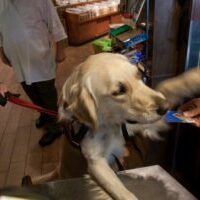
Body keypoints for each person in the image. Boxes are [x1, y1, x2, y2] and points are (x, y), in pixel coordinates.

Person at [0, 0, 67, 146]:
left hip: (40, 59)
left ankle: (55, 127)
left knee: (46, 93)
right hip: (18, 61)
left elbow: (55, 25)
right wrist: (2, 53)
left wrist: (60, 50)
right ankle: (43, 114)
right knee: (30, 91)